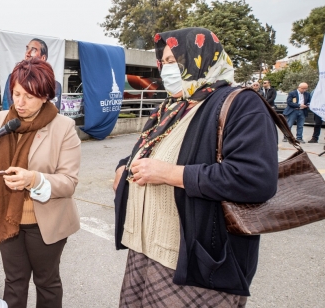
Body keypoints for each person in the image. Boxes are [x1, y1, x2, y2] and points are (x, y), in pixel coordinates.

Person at [112, 28, 277, 307]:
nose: (165, 69)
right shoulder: (174, 106)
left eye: (173, 60)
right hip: (146, 249)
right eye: (162, 62)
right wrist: (123, 168)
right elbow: (152, 150)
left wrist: (170, 174)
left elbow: (255, 179)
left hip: (193, 260)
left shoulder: (241, 103)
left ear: (201, 58)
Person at [0, 58, 81, 308]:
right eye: (16, 94)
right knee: (14, 282)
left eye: (29, 96)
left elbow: (69, 182)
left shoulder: (64, 127)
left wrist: (32, 179)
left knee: (47, 282)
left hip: (45, 221)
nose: (20, 103)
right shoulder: (0, 119)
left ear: (45, 96)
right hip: (6, 216)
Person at [1, 38, 62, 110]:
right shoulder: (13, 78)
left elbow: (53, 113)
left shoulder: (56, 85)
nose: (27, 53)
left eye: (33, 50)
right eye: (27, 49)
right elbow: (7, 109)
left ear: (43, 58)